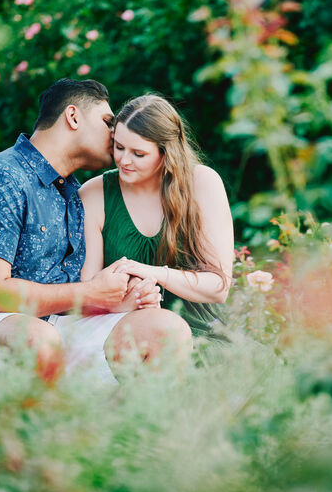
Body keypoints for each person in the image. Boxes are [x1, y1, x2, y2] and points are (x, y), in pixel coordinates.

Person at [0, 79, 192, 382]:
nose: (116, 134)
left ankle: (135, 428)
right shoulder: (1, 177)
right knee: (36, 336)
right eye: (107, 122)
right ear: (73, 117)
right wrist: (90, 292)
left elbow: (62, 299)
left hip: (54, 327)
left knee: (165, 329)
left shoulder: (73, 194)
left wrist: (115, 302)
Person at [78, 94, 233, 339]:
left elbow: (219, 287)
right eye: (119, 147)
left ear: (166, 153)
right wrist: (132, 298)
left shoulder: (203, 183)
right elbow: (87, 293)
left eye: (138, 154)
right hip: (128, 336)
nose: (124, 161)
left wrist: (152, 272)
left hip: (203, 335)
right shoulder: (94, 194)